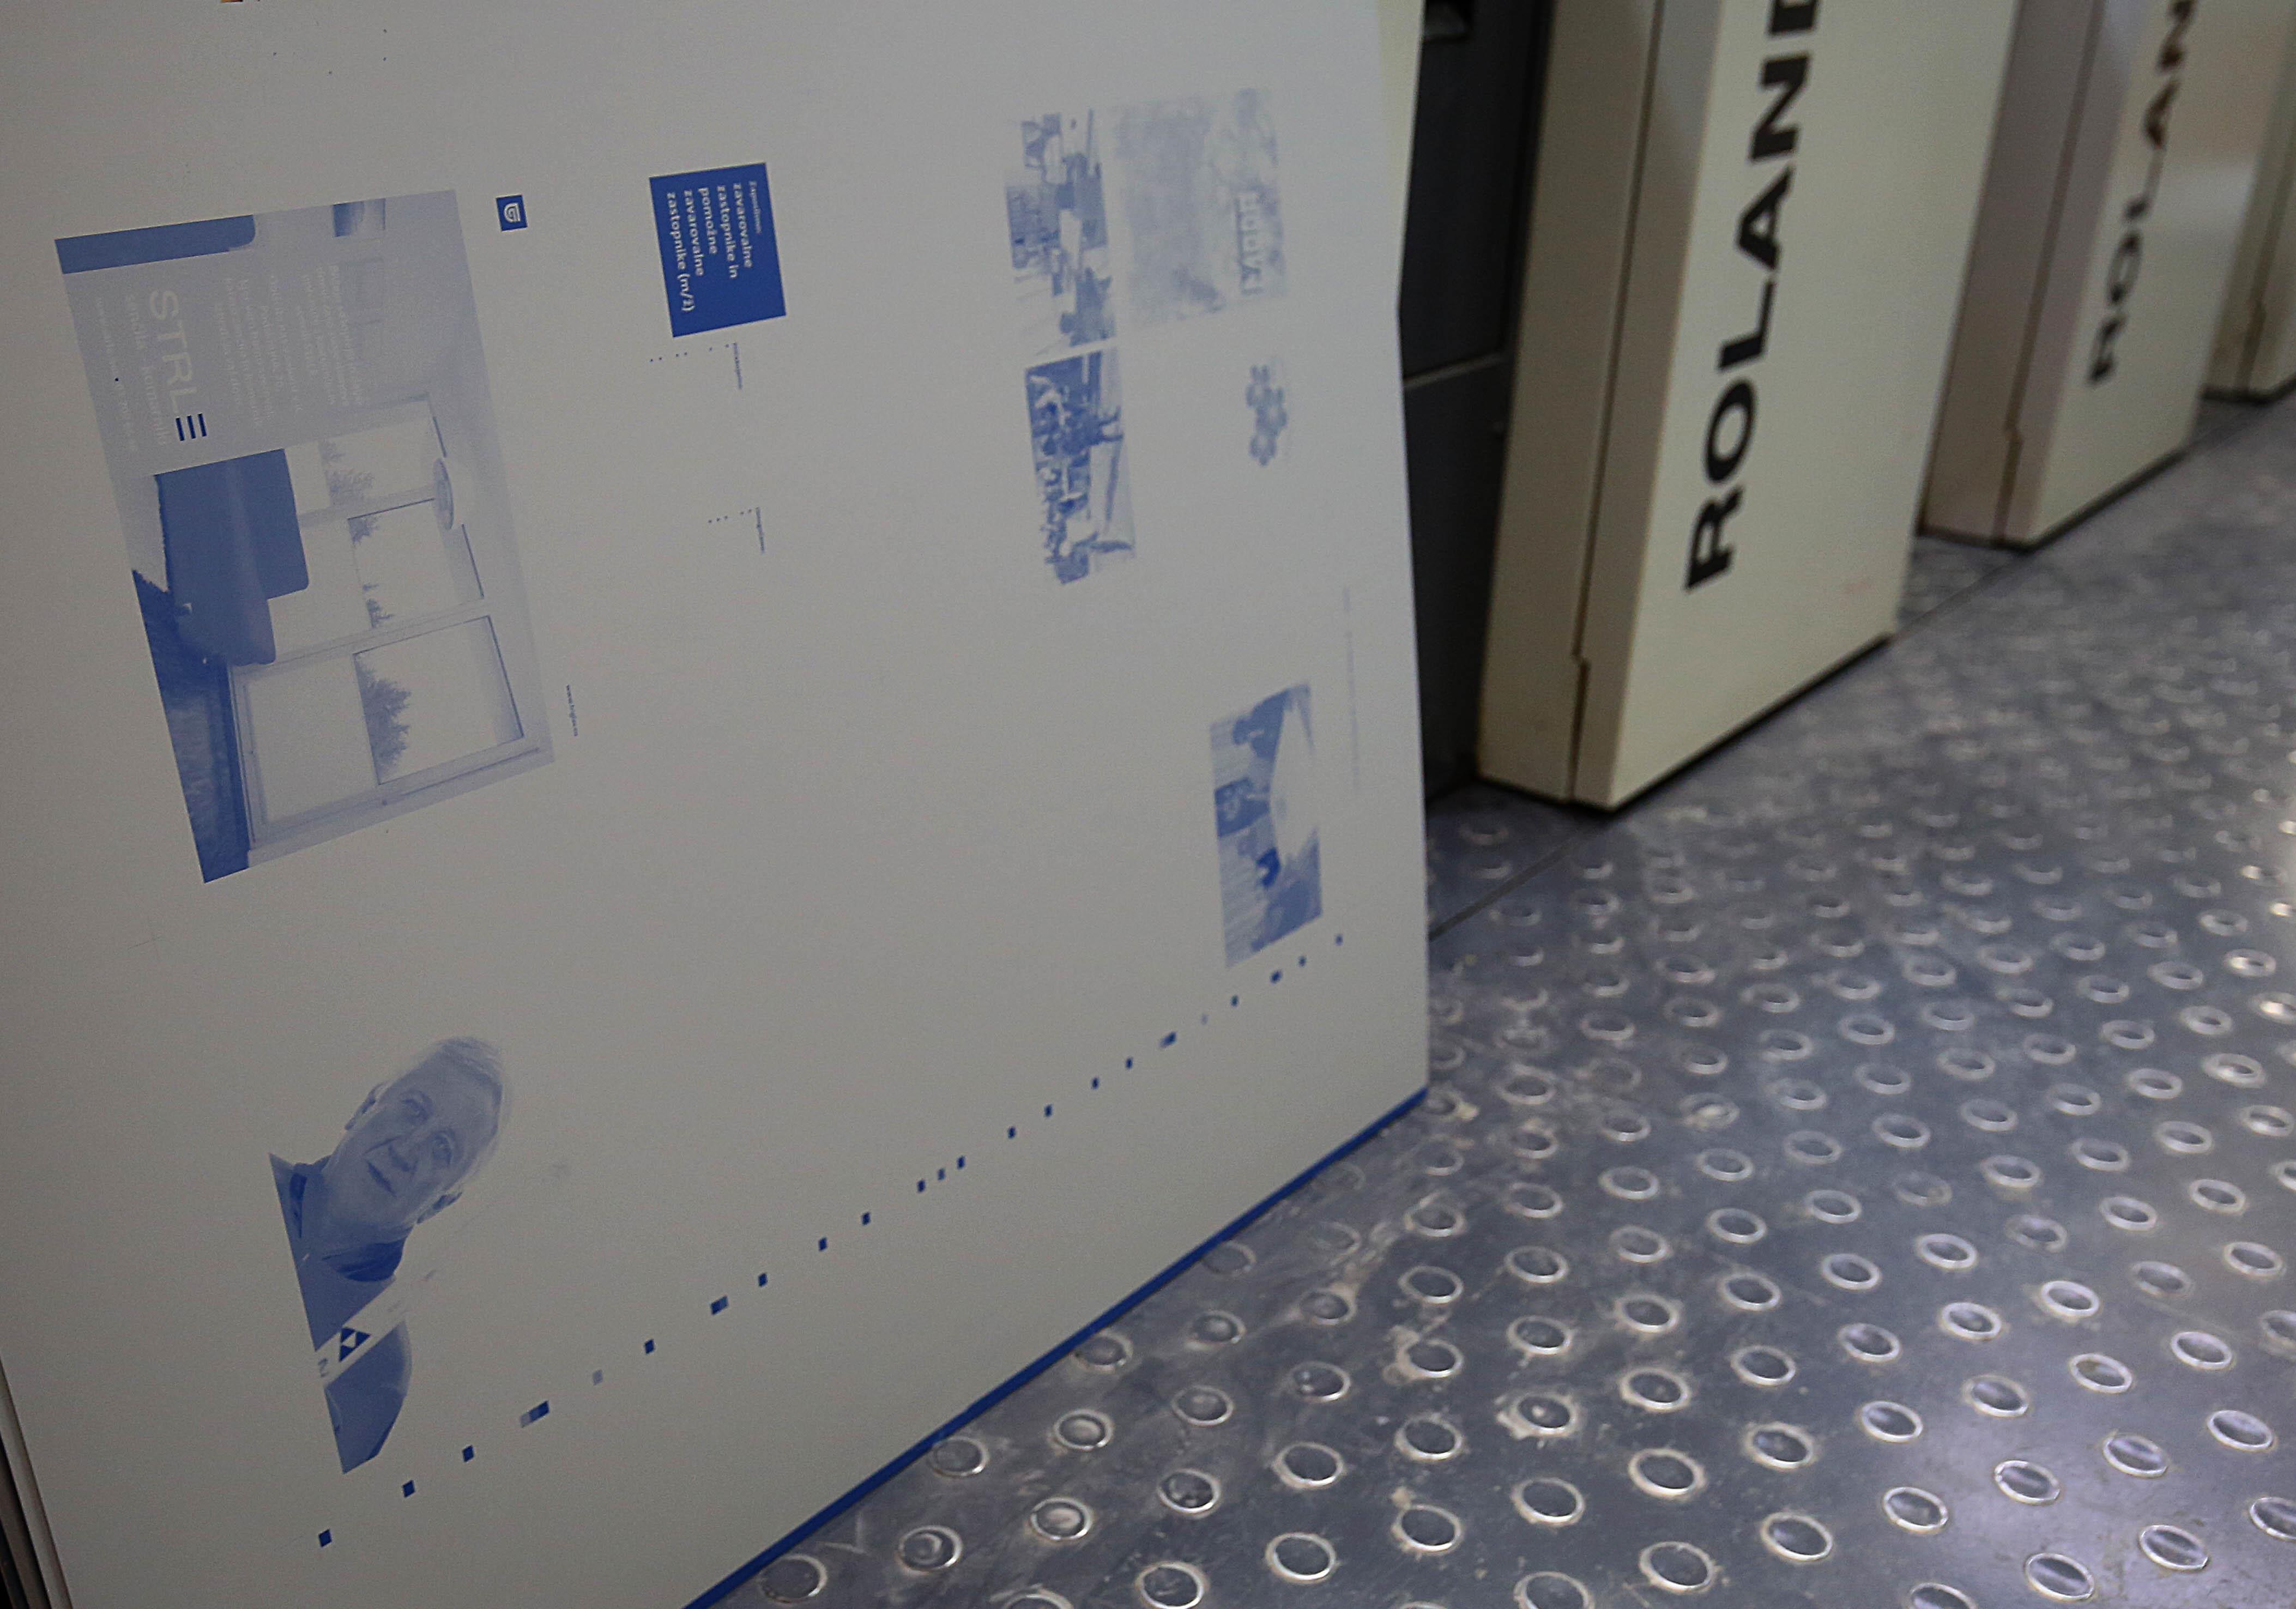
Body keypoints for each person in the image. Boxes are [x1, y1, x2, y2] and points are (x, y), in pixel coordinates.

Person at [271, 1038, 506, 1471]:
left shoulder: (377, 1373)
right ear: (364, 1109)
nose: (407, 1150)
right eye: (413, 1110)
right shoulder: (232, 1179)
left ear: (441, 1204)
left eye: (443, 1149)